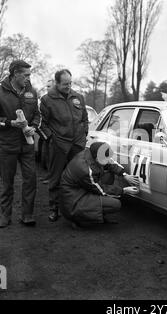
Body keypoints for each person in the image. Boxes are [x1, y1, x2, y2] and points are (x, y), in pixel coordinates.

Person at [40, 69, 89, 222]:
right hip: (59, 145)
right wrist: (51, 139)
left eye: (70, 83)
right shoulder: (47, 100)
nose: (68, 86)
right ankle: (54, 208)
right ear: (57, 83)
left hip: (77, 145)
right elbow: (43, 124)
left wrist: (83, 135)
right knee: (55, 178)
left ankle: (77, 207)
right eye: (65, 84)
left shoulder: (78, 97)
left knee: (79, 177)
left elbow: (85, 119)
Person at [59, 142, 140, 228]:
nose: (109, 160)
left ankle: (93, 212)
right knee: (115, 204)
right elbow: (101, 189)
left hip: (81, 188)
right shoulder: (86, 170)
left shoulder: (91, 153)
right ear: (98, 159)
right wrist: (123, 190)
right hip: (73, 200)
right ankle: (79, 218)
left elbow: (110, 162)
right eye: (106, 158)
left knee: (109, 175)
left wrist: (124, 175)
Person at [0, 60, 40, 228]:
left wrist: (34, 127)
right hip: (7, 144)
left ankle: (27, 215)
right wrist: (9, 123)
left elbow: (37, 115)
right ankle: (4, 216)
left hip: (27, 145)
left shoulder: (31, 91)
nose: (28, 78)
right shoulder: (1, 91)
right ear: (15, 74)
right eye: (26, 75)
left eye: (29, 75)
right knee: (7, 182)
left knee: (30, 179)